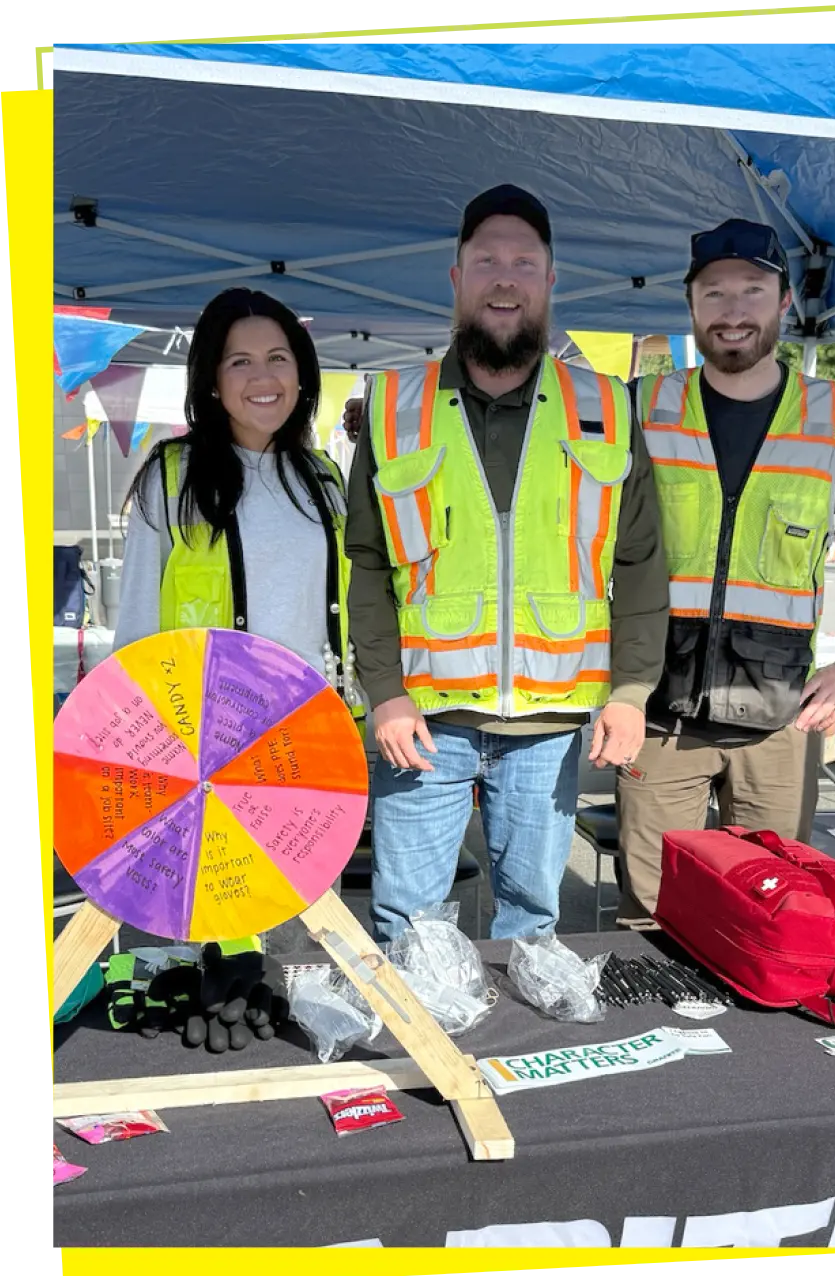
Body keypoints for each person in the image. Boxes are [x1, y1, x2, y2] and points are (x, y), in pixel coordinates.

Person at [343, 184, 668, 945]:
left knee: (531, 927)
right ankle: (417, 1063)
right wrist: (384, 692)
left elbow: (644, 563)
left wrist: (631, 689)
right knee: (408, 924)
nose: (504, 276)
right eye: (485, 259)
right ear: (454, 276)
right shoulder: (393, 407)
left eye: (524, 261)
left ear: (551, 281)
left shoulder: (609, 408)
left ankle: (512, 1064)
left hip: (549, 727)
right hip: (422, 723)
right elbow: (364, 563)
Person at [615, 217, 835, 928]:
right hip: (659, 723)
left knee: (774, 919)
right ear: (689, 306)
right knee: (652, 924)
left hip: (781, 723)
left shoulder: (834, 414)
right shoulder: (641, 406)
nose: (733, 309)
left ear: (783, 302)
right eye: (714, 292)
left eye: (752, 290)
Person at [115, 286, 362, 953]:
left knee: (298, 935)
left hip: (305, 746)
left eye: (279, 358)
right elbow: (134, 629)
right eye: (239, 362)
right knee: (206, 939)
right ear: (212, 382)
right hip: (203, 753)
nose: (263, 378)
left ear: (303, 374)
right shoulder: (170, 479)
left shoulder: (323, 479)